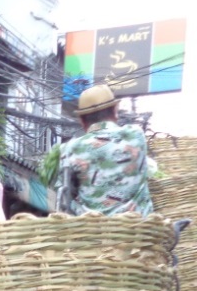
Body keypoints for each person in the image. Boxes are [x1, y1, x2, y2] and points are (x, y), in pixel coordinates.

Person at [56, 83, 154, 216]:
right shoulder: (135, 135)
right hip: (138, 228)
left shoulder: (70, 149)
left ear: (82, 120)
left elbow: (65, 192)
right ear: (115, 111)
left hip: (90, 230)